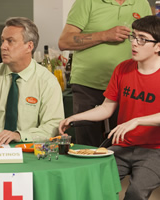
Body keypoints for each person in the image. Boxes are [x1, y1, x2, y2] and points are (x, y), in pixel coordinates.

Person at [59, 15, 160, 200]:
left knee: (136, 192)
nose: (134, 43)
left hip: (155, 150)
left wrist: (137, 121)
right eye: (134, 36)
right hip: (122, 146)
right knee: (91, 182)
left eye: (142, 39)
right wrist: (75, 117)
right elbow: (107, 108)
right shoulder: (123, 69)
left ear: (158, 46)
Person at [58, 0, 152, 147]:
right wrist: (104, 35)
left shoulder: (142, 3)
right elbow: (64, 42)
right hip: (88, 84)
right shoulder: (86, 2)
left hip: (127, 87)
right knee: (87, 146)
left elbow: (152, 39)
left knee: (123, 143)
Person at [0, 17, 64, 145]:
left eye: (10, 41)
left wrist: (19, 135)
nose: (3, 46)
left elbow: (52, 126)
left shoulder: (47, 81)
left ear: (29, 46)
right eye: (2, 41)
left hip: (30, 151)